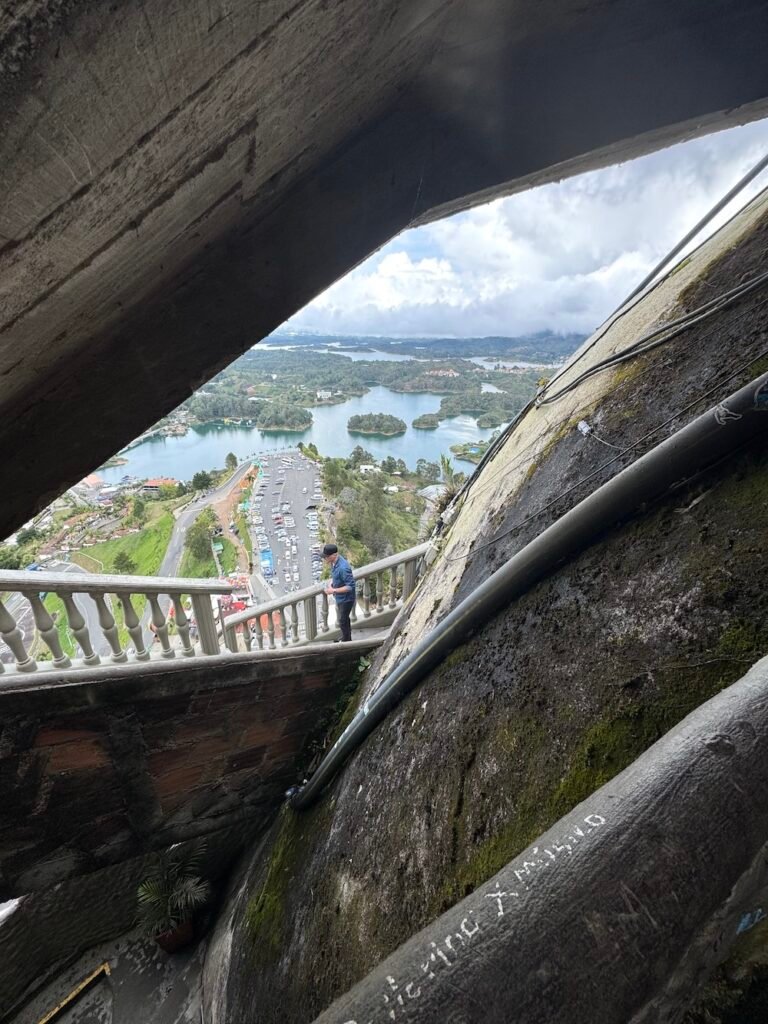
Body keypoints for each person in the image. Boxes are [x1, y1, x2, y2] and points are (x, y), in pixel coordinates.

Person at [323, 543, 356, 642]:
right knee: (344, 620)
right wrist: (332, 582)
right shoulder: (334, 563)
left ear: (334, 555)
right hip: (341, 597)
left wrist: (333, 590)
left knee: (342, 620)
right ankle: (346, 637)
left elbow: (350, 587)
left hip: (346, 599)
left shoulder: (343, 567)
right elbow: (338, 577)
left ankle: (347, 641)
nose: (325, 559)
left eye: (326, 557)